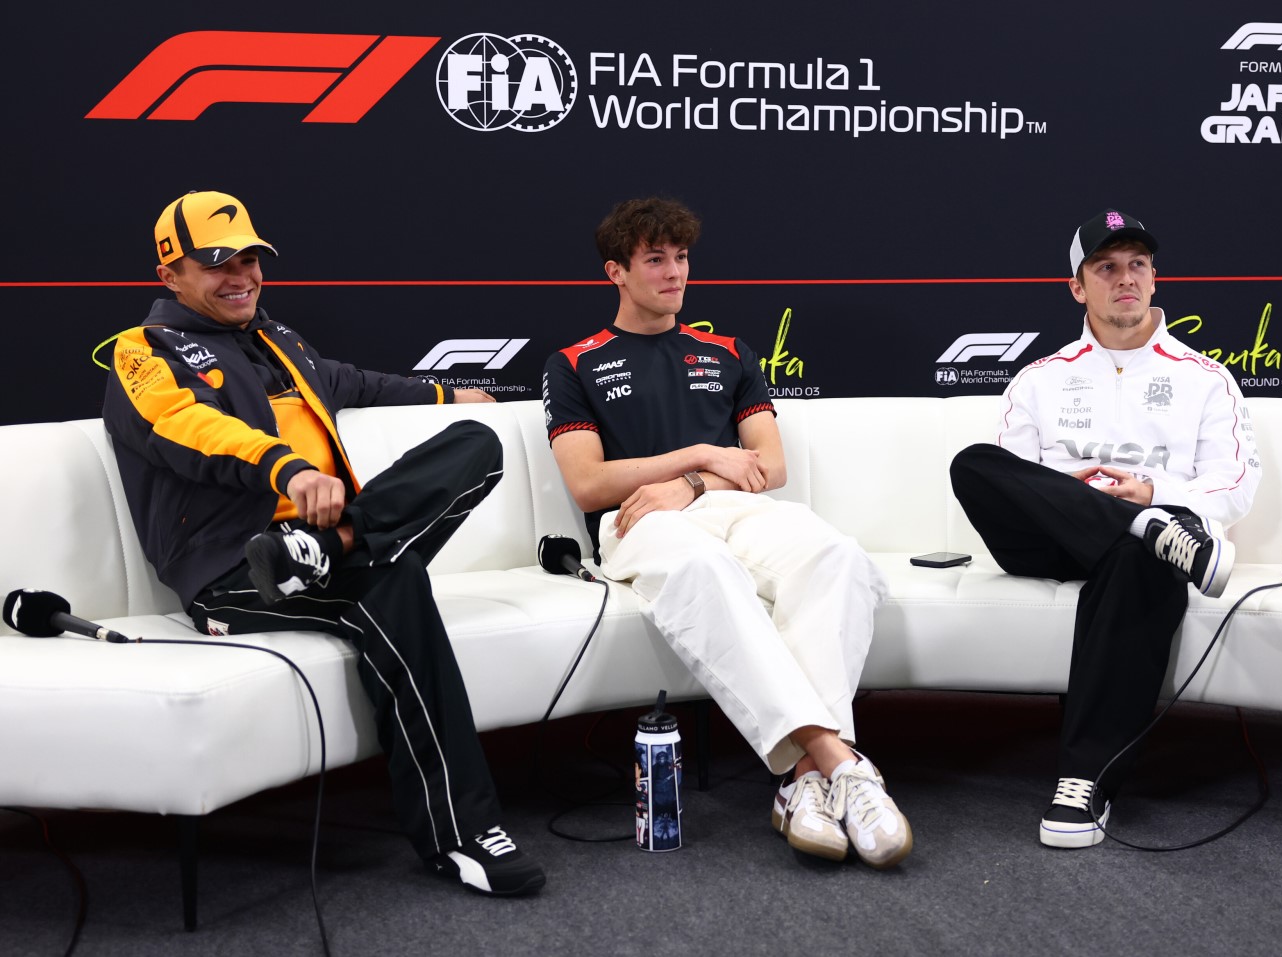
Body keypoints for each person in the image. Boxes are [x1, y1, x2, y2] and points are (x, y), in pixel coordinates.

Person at [102, 190, 545, 896]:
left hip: (317, 545)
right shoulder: (143, 351)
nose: (241, 274)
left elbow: (357, 382)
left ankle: (337, 542)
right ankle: (460, 833)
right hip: (234, 568)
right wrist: (288, 465)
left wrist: (447, 397)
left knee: (475, 445)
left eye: (250, 257)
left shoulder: (281, 341)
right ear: (170, 274)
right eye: (218, 262)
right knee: (395, 583)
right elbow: (188, 428)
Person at [541, 197, 912, 868]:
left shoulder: (729, 351)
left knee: (837, 554)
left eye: (681, 257)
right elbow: (591, 484)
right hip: (637, 522)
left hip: (724, 505)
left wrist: (693, 481)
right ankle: (840, 762)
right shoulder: (574, 362)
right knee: (707, 571)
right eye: (655, 259)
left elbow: (769, 465)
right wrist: (701, 455)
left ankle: (801, 782)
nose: (674, 272)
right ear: (616, 272)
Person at [949, 209, 1261, 848]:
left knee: (1138, 559)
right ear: (1077, 285)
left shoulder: (1205, 380)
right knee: (974, 464)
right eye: (1107, 267)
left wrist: (1154, 494)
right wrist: (1099, 504)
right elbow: (1016, 486)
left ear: (1154, 279)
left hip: (1144, 554)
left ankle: (1084, 781)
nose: (1126, 279)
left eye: (1138, 265)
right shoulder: (1039, 378)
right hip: (1048, 544)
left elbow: (1234, 487)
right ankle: (1144, 527)